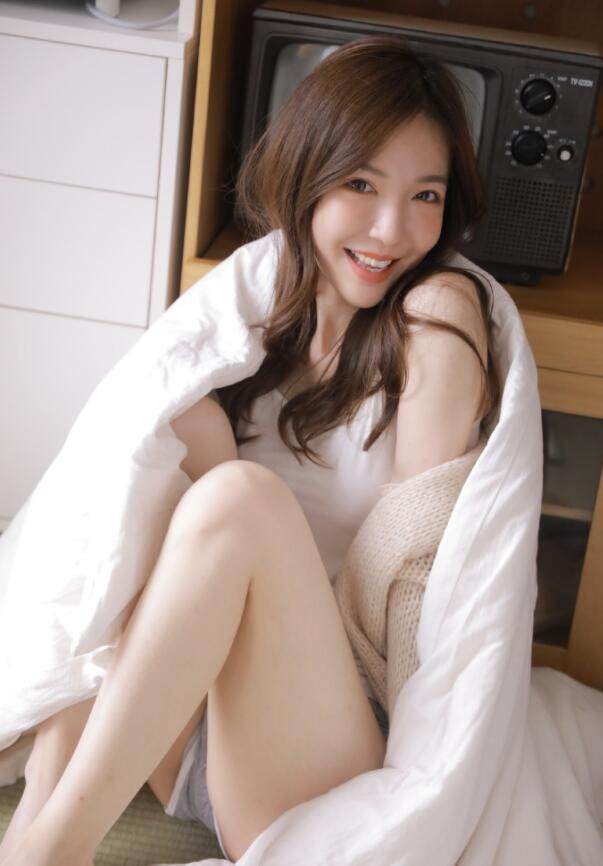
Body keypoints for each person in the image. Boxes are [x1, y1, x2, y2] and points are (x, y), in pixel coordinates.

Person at [0, 35, 501, 865]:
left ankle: (51, 849)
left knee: (239, 499)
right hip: (181, 726)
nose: (391, 230)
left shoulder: (435, 315)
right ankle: (38, 826)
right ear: (307, 175)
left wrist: (446, 313)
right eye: (361, 184)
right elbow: (102, 519)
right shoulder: (258, 304)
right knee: (154, 446)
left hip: (326, 750)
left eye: (425, 195)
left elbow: (422, 562)